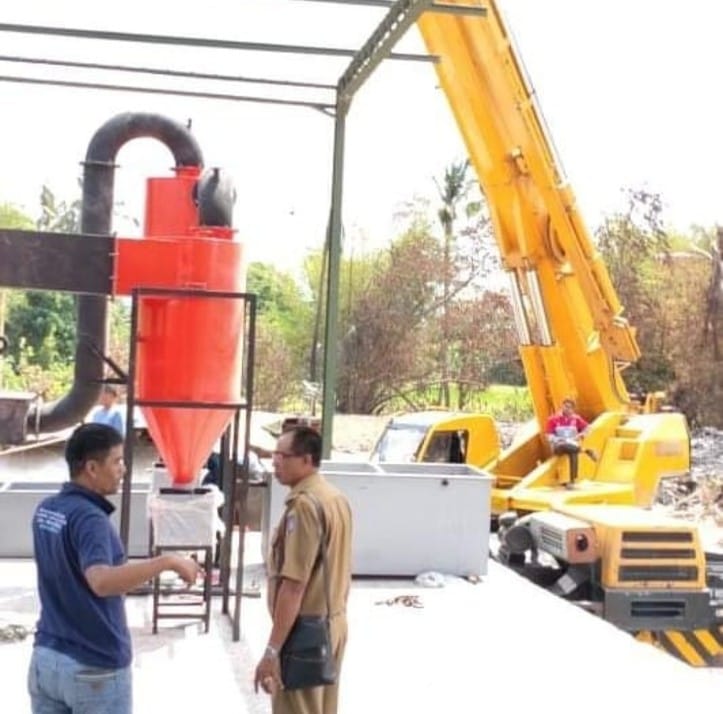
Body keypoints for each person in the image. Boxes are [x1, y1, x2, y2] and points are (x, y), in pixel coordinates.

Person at [27, 423, 202, 713]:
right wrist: (167, 561)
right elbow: (101, 581)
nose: (124, 469)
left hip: (47, 658)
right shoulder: (90, 519)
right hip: (93, 666)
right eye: (117, 461)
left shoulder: (47, 510)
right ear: (92, 468)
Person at [254, 426, 352, 714]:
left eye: (283, 455)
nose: (275, 461)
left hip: (305, 636)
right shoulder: (334, 498)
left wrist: (272, 651)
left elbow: (294, 586)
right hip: (331, 626)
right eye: (274, 454)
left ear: (306, 460)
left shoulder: (305, 507)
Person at [545, 397, 598, 488]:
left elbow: (588, 428)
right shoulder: (553, 419)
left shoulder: (576, 419)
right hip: (558, 445)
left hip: (572, 444)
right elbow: (548, 435)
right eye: (565, 406)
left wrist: (581, 434)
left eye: (570, 407)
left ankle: (572, 481)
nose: (567, 409)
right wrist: (557, 439)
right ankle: (586, 451)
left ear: (573, 409)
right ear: (562, 406)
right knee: (566, 446)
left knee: (573, 452)